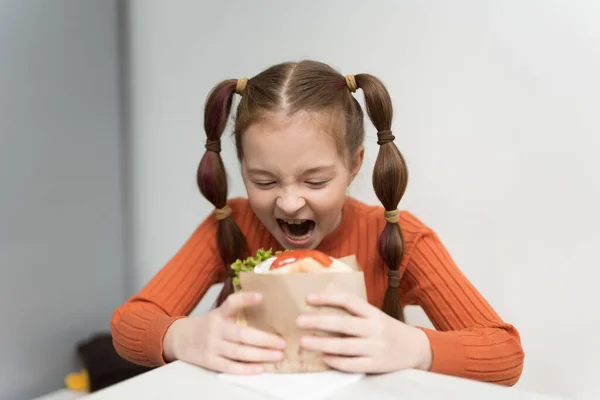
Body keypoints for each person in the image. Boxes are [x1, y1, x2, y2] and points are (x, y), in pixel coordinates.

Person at [110, 60, 524, 386]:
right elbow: (129, 324)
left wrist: (416, 347)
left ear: (354, 165)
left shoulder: (398, 238)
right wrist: (182, 337)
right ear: (242, 169)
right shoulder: (232, 225)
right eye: (264, 181)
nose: (290, 203)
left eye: (316, 180)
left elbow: (504, 355)